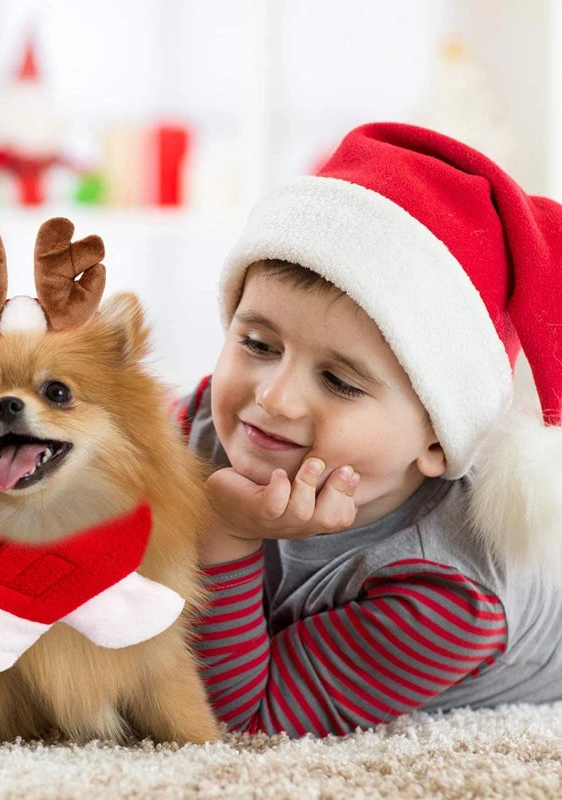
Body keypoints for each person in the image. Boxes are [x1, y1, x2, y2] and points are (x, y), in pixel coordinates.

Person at [175, 122, 562, 737]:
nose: (272, 397)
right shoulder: (200, 426)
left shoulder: (445, 596)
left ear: (437, 440)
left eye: (340, 382)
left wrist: (223, 530)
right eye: (256, 343)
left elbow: (241, 722)